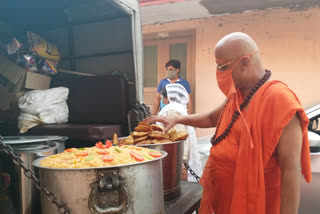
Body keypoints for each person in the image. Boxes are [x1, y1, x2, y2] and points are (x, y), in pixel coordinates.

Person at [144, 32, 312, 214]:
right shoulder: (237, 95)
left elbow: (291, 171)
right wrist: (177, 118)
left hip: (257, 204)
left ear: (245, 63)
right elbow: (211, 118)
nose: (219, 74)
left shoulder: (280, 100)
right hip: (225, 201)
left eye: (222, 67)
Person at [158, 84, 202, 182]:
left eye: (162, 98)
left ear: (168, 98)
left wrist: (181, 161)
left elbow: (180, 137)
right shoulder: (179, 109)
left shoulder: (172, 111)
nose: (162, 101)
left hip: (176, 157)